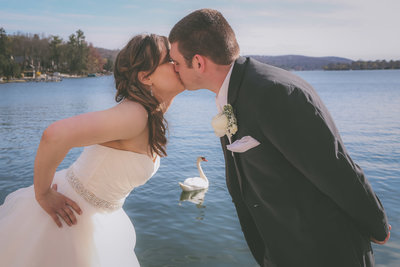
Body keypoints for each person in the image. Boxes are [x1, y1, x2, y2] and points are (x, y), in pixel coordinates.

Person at [169, 8, 390, 267]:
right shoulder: (238, 90)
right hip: (283, 251)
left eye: (175, 62)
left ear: (198, 62)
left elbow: (334, 167)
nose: (173, 69)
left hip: (325, 252)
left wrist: (378, 226)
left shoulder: (273, 94)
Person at [0, 33, 184, 267]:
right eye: (169, 58)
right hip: (70, 218)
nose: (177, 62)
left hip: (97, 217)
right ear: (146, 77)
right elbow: (54, 135)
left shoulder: (149, 112)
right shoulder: (135, 115)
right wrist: (43, 194)